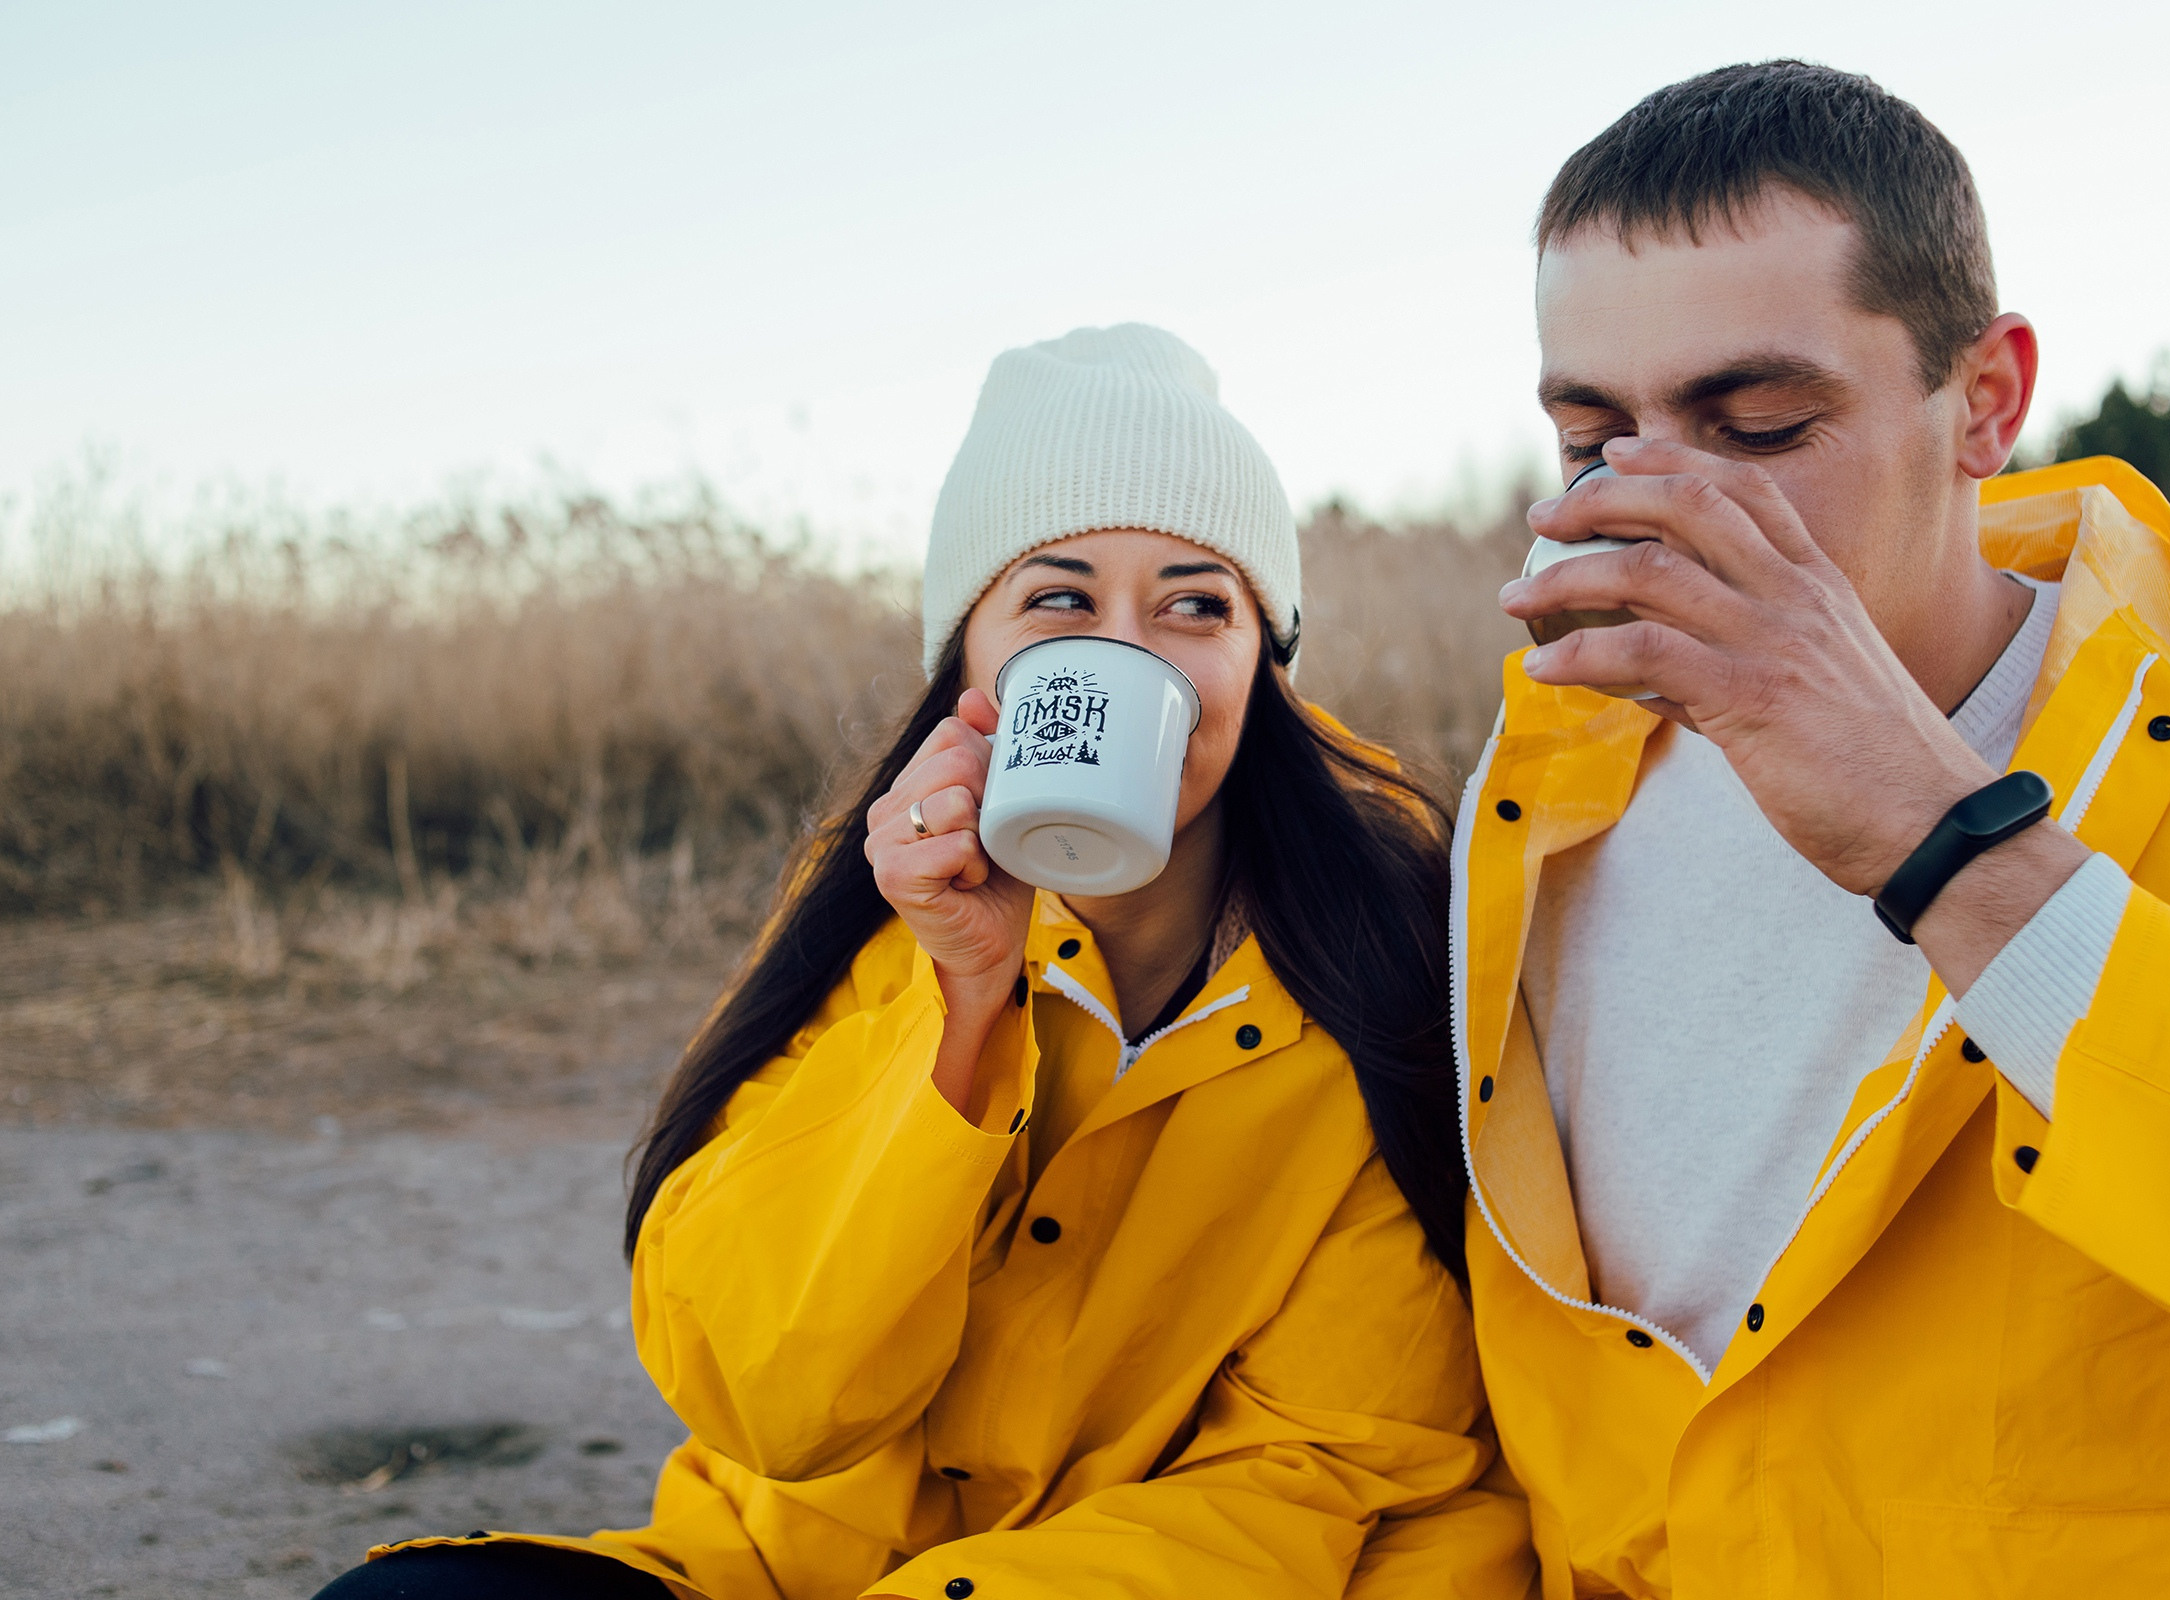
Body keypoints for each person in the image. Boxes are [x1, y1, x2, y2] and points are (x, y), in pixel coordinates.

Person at [317, 324, 1531, 1600]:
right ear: (970, 662)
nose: (1126, 653)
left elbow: (1320, 1465)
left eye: (1196, 605)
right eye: (1059, 600)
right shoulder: (866, 920)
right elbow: (768, 1396)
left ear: (1260, 664)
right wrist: (957, 1010)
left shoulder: (1385, 960)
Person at [1460, 61, 2170, 1596]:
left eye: (1757, 424)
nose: (1665, 502)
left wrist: (1942, 834)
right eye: (1592, 436)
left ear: (1987, 402)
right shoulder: (1539, 788)